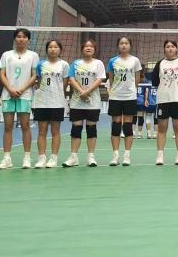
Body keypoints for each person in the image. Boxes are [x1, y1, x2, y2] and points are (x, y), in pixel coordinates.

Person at [0, 28, 39, 170]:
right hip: (8, 95)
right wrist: (10, 89)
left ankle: (27, 158)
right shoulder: (6, 55)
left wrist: (22, 89)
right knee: (8, 126)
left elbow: (34, 75)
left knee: (25, 125)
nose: (21, 39)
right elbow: (2, 74)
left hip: (24, 95)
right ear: (15, 39)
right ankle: (6, 159)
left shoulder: (33, 55)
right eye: (19, 36)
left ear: (28, 39)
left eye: (24, 37)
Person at [63, 39, 106, 168]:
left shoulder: (98, 63)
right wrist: (82, 92)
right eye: (86, 46)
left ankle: (91, 156)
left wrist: (87, 92)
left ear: (94, 49)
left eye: (91, 46)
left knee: (91, 128)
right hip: (77, 101)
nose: (88, 48)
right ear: (82, 49)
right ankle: (73, 157)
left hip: (93, 101)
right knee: (76, 127)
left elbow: (99, 79)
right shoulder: (75, 63)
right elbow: (71, 79)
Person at [32, 40, 70, 168]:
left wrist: (57, 94)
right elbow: (39, 82)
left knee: (55, 131)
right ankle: (41, 158)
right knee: (41, 131)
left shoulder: (64, 65)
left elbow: (65, 84)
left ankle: (53, 158)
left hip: (57, 102)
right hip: (42, 102)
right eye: (50, 47)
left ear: (60, 50)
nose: (53, 49)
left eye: (55, 47)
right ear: (47, 49)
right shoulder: (40, 64)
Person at [152, 40, 178, 165]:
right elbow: (155, 82)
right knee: (161, 128)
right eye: (167, 46)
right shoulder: (160, 64)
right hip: (163, 100)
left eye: (173, 46)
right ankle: (160, 156)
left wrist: (177, 90)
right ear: (164, 49)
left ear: (176, 49)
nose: (170, 48)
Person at [106, 36, 143, 167]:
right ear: (118, 46)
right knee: (116, 126)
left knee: (128, 126)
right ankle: (115, 155)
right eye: (121, 43)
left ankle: (127, 155)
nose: (124, 45)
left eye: (126, 43)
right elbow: (111, 78)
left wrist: (132, 90)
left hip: (129, 97)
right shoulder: (112, 61)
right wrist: (114, 90)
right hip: (115, 97)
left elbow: (137, 78)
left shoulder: (135, 60)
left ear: (130, 46)